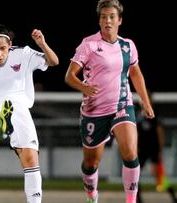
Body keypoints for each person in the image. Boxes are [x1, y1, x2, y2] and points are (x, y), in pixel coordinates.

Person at [64, 0, 154, 202]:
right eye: (104, 17)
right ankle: (92, 195)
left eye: (112, 16)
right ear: (99, 21)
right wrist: (84, 87)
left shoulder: (128, 45)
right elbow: (69, 76)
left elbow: (136, 74)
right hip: (94, 111)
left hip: (122, 105)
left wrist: (145, 103)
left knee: (130, 153)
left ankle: (130, 200)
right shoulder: (89, 45)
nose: (108, 21)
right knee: (91, 163)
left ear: (119, 20)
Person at [0, 24, 59, 203]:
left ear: (10, 45)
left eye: (2, 48)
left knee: (30, 158)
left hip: (20, 109)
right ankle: (1, 127)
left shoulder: (23, 53)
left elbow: (54, 61)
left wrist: (42, 44)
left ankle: (5, 129)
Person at [136, 92, 177, 203]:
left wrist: (160, 150)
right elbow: (135, 132)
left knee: (159, 175)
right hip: (142, 149)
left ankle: (173, 196)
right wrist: (135, 146)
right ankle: (138, 199)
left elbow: (159, 132)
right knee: (135, 174)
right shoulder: (138, 115)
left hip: (153, 149)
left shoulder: (154, 113)